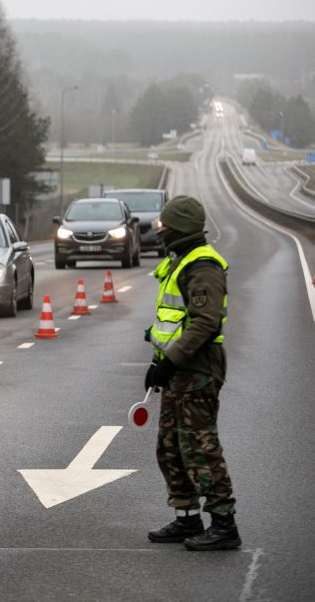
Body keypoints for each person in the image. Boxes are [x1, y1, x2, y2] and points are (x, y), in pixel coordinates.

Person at [144, 195, 241, 551]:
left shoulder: (203, 267)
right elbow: (174, 322)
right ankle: (186, 519)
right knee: (170, 447)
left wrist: (171, 361)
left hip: (198, 368)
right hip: (178, 368)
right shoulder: (180, 261)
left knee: (200, 446)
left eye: (163, 227)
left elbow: (204, 323)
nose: (160, 232)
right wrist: (160, 363)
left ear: (179, 229)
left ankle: (224, 524)